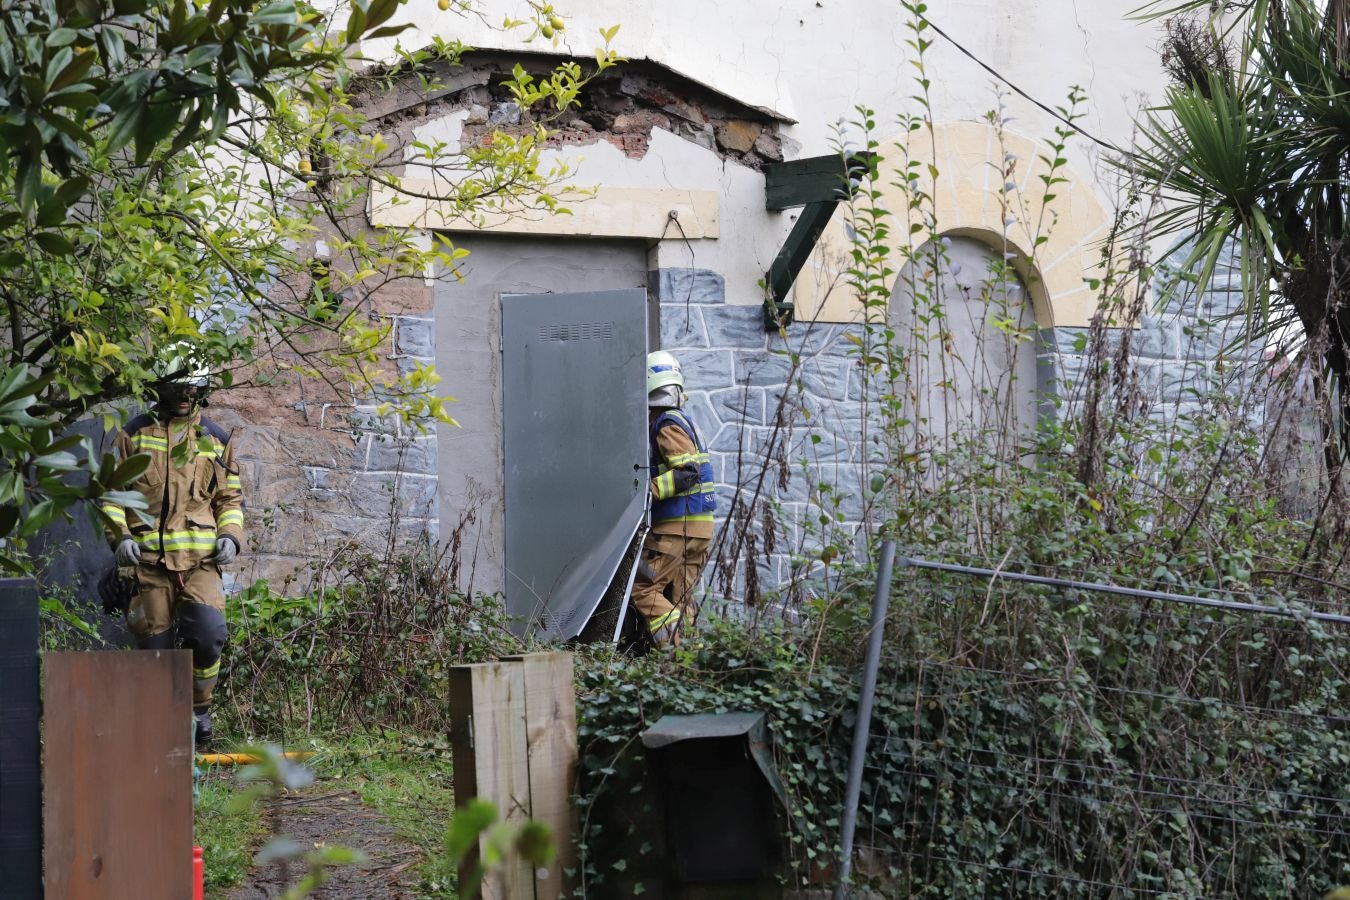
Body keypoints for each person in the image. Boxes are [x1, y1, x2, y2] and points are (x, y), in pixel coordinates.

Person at [99, 348, 244, 748]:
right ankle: (160, 734)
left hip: (200, 563)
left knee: (209, 633)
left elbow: (229, 500)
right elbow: (111, 495)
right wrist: (121, 539)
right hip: (145, 565)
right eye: (178, 387)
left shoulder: (214, 438)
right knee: (155, 651)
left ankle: (199, 710)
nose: (186, 396)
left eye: (194, 388)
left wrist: (230, 538)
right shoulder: (133, 434)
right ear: (160, 387)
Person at [631, 350, 717, 648]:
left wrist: (645, 491)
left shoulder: (667, 424)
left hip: (676, 528)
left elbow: (687, 472)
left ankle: (676, 654)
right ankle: (695, 665)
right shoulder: (685, 421)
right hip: (698, 529)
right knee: (680, 598)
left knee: (643, 588)